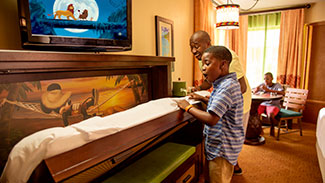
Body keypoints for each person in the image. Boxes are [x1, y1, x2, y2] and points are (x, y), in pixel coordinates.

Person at [176, 46, 244, 183]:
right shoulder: (226, 83)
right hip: (219, 146)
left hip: (221, 149)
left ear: (223, 65)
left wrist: (187, 107)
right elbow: (221, 106)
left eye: (207, 63)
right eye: (202, 65)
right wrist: (202, 99)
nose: (203, 68)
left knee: (217, 178)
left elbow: (212, 119)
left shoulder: (226, 87)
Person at [189, 30, 251, 175]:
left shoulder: (225, 56)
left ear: (208, 44)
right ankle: (228, 166)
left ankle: (231, 165)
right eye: (191, 47)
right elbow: (209, 81)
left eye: (196, 46)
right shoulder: (203, 60)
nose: (193, 51)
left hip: (239, 104)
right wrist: (198, 91)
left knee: (230, 137)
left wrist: (220, 102)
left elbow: (241, 87)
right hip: (223, 100)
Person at [252, 72, 285, 136]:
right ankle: (260, 129)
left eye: (267, 79)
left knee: (270, 115)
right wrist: (256, 89)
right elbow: (254, 91)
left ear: (272, 79)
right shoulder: (263, 85)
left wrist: (269, 90)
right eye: (264, 79)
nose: (265, 81)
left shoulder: (277, 85)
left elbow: (283, 93)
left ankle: (272, 128)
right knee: (255, 112)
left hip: (273, 104)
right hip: (263, 103)